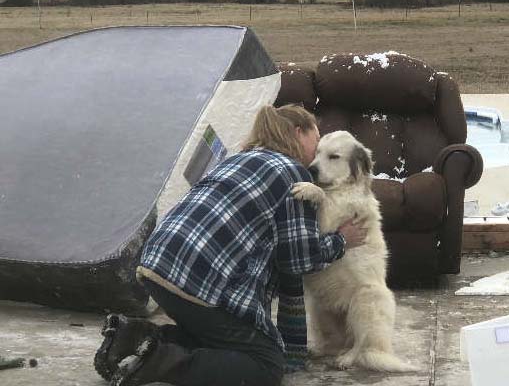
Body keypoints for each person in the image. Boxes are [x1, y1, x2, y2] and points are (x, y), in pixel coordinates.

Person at [94, 104, 367, 386]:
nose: (316, 154)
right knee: (264, 364)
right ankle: (156, 362)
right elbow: (298, 259)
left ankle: (132, 338)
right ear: (299, 132)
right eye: (316, 140)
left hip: (158, 263)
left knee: (222, 339)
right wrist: (341, 240)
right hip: (198, 279)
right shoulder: (292, 172)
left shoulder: (240, 159)